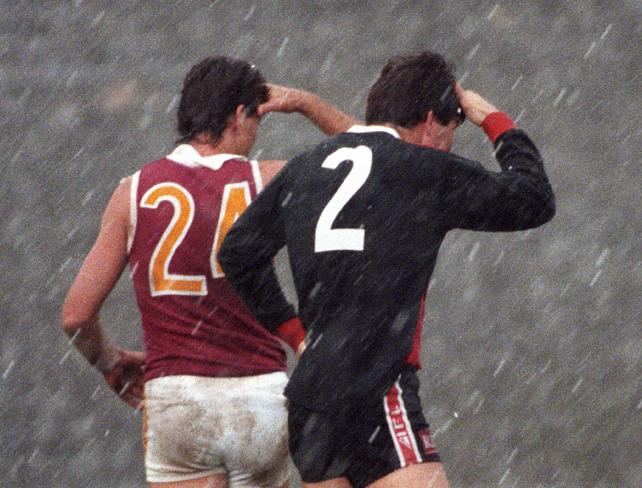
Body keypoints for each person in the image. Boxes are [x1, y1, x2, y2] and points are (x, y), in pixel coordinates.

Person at [218, 50, 555, 488]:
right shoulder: (424, 170)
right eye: (451, 132)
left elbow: (238, 253)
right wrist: (491, 118)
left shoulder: (306, 167)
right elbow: (534, 198)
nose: (449, 146)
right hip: (376, 386)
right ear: (433, 120)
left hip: (311, 399)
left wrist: (293, 332)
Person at [61, 55, 355, 488]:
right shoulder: (270, 179)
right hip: (260, 399)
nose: (256, 134)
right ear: (239, 115)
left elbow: (76, 316)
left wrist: (110, 362)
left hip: (178, 400)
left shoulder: (133, 191)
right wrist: (305, 103)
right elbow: (378, 154)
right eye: (257, 119)